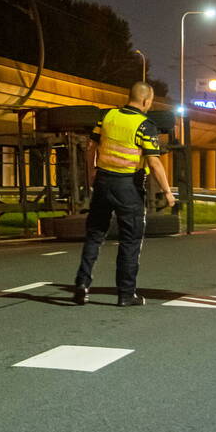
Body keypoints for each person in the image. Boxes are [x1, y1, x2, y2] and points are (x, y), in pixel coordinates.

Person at [73, 82, 176, 306]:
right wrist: (168, 192)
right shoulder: (145, 126)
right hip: (128, 186)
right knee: (130, 240)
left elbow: (91, 148)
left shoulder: (107, 116)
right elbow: (154, 162)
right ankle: (126, 294)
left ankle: (82, 283)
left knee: (94, 234)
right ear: (146, 101)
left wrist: (92, 173)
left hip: (102, 182)